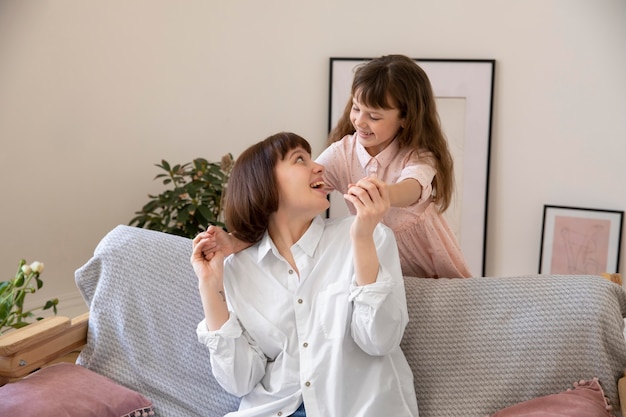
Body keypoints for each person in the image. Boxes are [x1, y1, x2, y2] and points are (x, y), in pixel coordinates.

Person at [191, 132, 418, 417]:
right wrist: (210, 285)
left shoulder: (368, 237)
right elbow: (238, 381)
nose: (319, 167)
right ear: (265, 184)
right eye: (300, 159)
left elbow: (379, 340)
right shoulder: (239, 268)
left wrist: (361, 240)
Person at [317, 54, 472, 278]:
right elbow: (307, 183)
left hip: (426, 261)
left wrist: (383, 194)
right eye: (356, 108)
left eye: (374, 116)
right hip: (375, 256)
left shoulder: (418, 154)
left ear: (405, 118)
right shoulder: (341, 154)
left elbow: (413, 187)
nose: (360, 121)